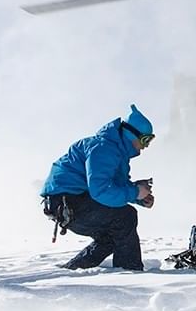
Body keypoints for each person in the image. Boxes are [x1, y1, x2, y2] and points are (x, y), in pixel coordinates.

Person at [42, 104, 155, 271]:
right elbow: (101, 190)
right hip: (67, 200)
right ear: (131, 134)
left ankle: (71, 270)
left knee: (111, 236)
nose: (146, 146)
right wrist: (135, 192)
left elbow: (114, 186)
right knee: (125, 217)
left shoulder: (116, 152)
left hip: (68, 201)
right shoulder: (103, 148)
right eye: (145, 139)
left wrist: (138, 196)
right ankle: (130, 272)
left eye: (150, 140)